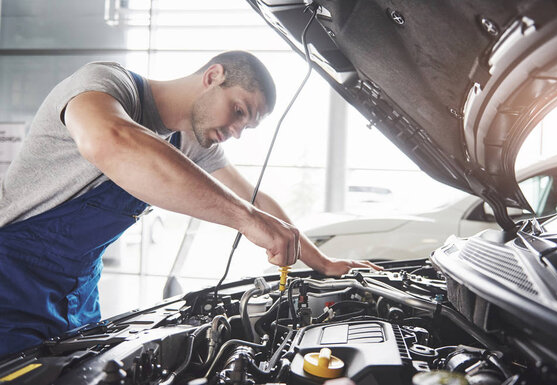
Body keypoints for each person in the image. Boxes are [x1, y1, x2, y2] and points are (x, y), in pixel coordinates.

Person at [0, 51, 379, 356]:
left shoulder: (191, 142)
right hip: (11, 277)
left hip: (77, 289)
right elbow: (109, 140)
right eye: (239, 111)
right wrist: (245, 220)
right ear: (213, 76)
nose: (237, 131)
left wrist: (324, 264)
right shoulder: (106, 84)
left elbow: (254, 197)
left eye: (247, 126)